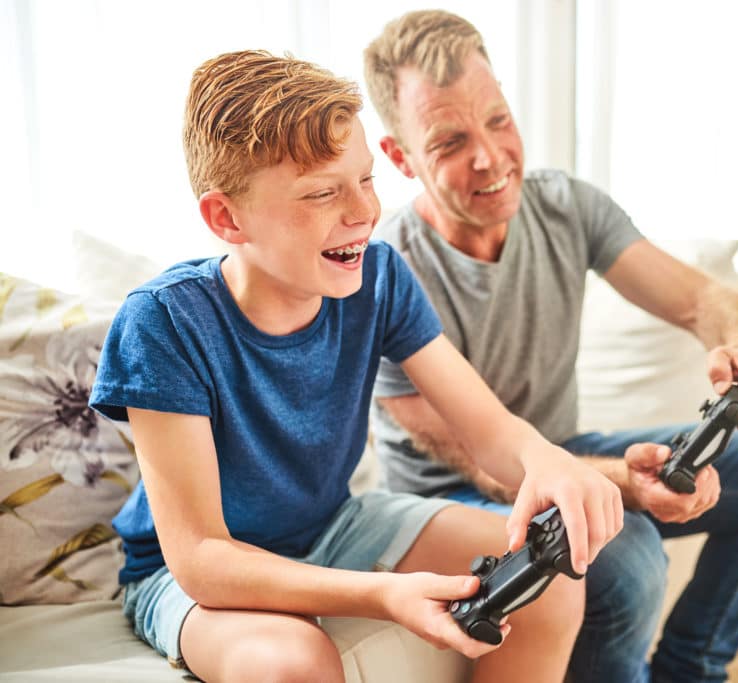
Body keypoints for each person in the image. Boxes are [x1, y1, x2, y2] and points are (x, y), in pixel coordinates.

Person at [88, 50, 624, 683]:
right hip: (197, 572)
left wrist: (548, 461)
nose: (363, 212)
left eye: (366, 180)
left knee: (550, 584)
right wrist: (378, 595)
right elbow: (202, 557)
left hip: (335, 524)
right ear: (226, 217)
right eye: (322, 193)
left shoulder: (380, 277)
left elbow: (489, 430)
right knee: (294, 662)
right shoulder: (164, 323)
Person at [363, 10, 738, 683]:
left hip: (567, 451)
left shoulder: (566, 207)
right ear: (400, 157)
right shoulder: (385, 272)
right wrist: (623, 485)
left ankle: (690, 668)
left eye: (498, 120)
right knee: (628, 555)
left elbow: (705, 298)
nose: (490, 158)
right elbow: (482, 458)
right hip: (457, 497)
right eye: (450, 140)